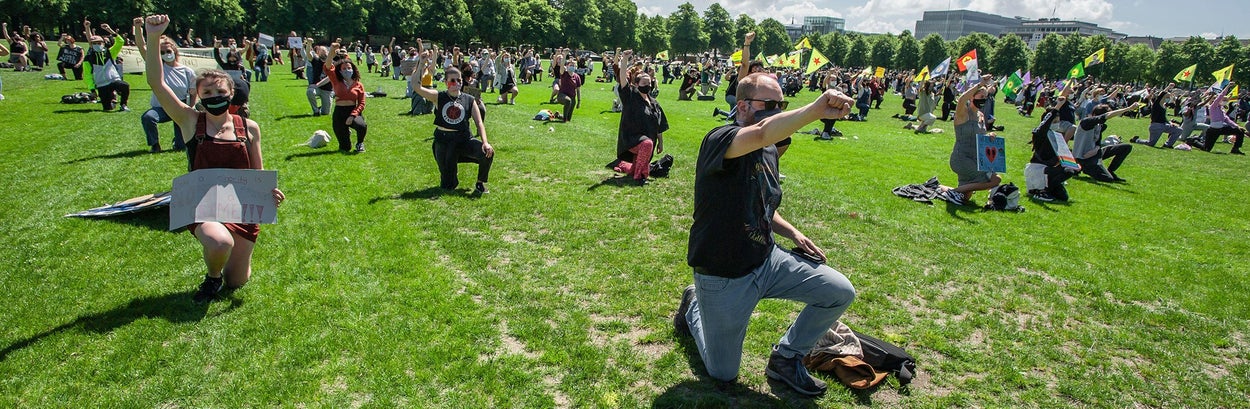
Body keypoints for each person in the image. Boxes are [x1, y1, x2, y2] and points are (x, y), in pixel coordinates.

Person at [674, 72, 857, 397]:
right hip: (724, 273)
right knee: (723, 372)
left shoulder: (770, 149)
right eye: (770, 104)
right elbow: (760, 132)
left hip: (767, 260)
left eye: (781, 104)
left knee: (840, 291)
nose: (777, 109)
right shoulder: (721, 139)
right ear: (742, 106)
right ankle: (693, 307)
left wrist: (793, 232)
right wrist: (815, 110)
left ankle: (787, 359)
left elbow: (759, 202)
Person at [141, 14, 285, 303]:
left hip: (241, 208)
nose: (215, 96)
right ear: (198, 95)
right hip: (202, 204)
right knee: (219, 243)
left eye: (221, 92)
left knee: (238, 281)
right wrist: (154, 37)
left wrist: (269, 193)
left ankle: (228, 272)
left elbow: (257, 171)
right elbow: (157, 84)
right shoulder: (189, 121)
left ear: (231, 94)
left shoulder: (249, 127)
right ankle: (211, 278)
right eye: (208, 92)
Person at [412, 40, 495, 194]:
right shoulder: (438, 97)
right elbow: (416, 86)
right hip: (444, 142)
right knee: (449, 186)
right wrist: (421, 62)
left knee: (487, 153)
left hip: (463, 140)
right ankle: (450, 170)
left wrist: (485, 142)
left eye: (459, 80)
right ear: (445, 82)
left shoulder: (469, 99)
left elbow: (479, 123)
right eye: (452, 81)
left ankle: (480, 183)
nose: (456, 83)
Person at [134, 17, 196, 153]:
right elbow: (142, 47)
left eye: (168, 51)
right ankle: (154, 144)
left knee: (181, 147)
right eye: (161, 52)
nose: (166, 54)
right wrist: (138, 29)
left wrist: (190, 110)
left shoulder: (187, 71)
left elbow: (193, 93)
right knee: (148, 117)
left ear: (174, 51)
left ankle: (177, 141)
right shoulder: (158, 67)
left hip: (180, 106)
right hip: (160, 107)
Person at [609, 50, 669, 185]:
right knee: (647, 145)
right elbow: (623, 78)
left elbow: (659, 124)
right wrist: (624, 59)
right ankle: (640, 177)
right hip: (632, 138)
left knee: (635, 163)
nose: (647, 86)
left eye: (649, 84)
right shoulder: (630, 96)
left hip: (649, 140)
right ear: (636, 84)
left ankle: (623, 166)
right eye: (644, 84)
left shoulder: (654, 103)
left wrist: (660, 142)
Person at [941, 75, 1001, 205]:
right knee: (995, 179)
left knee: (965, 197)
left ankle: (938, 187)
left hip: (974, 159)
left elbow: (979, 137)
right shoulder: (963, 113)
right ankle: (954, 191)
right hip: (961, 159)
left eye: (985, 97)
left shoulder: (981, 115)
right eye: (981, 97)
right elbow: (962, 99)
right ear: (973, 97)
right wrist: (979, 84)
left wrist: (990, 135)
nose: (984, 100)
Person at [1073, 103, 1140, 182]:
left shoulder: (1100, 126)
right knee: (1108, 179)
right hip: (1084, 157)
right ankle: (1083, 167)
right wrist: (1128, 108)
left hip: (1095, 152)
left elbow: (1097, 142)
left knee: (1126, 147)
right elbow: (1106, 115)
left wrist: (1096, 148)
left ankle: (1111, 171)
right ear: (1094, 114)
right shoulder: (1086, 122)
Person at [321, 44, 368, 153]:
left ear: (353, 69)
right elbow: (327, 67)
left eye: (349, 68)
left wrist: (353, 115)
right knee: (345, 148)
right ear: (340, 71)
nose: (347, 70)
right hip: (339, 112)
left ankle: (360, 143)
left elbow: (361, 103)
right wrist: (332, 51)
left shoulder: (358, 85)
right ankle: (345, 134)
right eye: (344, 68)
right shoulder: (336, 80)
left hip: (352, 110)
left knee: (362, 126)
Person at [1027, 108, 1077, 202]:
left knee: (1063, 197)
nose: (1057, 124)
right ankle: (1041, 191)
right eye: (1054, 121)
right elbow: (1044, 127)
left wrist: (1073, 164)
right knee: (1068, 171)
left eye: (1058, 121)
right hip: (1039, 169)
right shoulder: (1040, 135)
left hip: (1049, 169)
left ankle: (1048, 188)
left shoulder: (1056, 136)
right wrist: (1056, 108)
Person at [82, 20, 130, 112]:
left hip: (113, 80)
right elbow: (87, 75)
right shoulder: (88, 58)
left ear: (103, 43)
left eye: (99, 43)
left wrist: (110, 30)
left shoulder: (110, 53)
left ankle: (123, 104)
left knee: (125, 86)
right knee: (107, 108)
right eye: (94, 44)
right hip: (101, 84)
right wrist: (92, 89)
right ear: (91, 45)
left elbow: (120, 42)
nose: (97, 45)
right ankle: (112, 98)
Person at [1197, 84, 1247, 155]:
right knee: (1206, 149)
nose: (1225, 101)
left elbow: (1227, 120)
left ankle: (1235, 149)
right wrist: (1228, 87)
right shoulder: (1213, 107)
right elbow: (1221, 95)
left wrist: (1237, 126)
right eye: (1223, 100)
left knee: (1240, 131)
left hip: (1221, 128)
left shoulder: (1221, 109)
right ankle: (1193, 141)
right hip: (1213, 130)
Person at [1131, 84, 1183, 148]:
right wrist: (1169, 87)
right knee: (1151, 143)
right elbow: (1161, 94)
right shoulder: (1157, 104)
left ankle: (1168, 145)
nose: (1169, 94)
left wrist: (1170, 123)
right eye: (1167, 94)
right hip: (1156, 126)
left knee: (1179, 130)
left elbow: (1163, 117)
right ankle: (1136, 140)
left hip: (1164, 125)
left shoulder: (1163, 105)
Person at [302, 42, 333, 116]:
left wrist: (317, 85)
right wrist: (309, 44)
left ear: (327, 52)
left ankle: (321, 108)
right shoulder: (316, 60)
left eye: (324, 50)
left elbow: (329, 78)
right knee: (310, 91)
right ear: (318, 52)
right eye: (320, 50)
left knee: (325, 113)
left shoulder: (332, 63)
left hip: (327, 90)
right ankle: (316, 111)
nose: (322, 51)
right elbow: (308, 54)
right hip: (317, 88)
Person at [554, 54, 581, 122]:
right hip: (562, 95)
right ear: (567, 66)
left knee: (569, 118)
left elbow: (578, 90)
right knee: (568, 100)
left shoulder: (577, 77)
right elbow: (562, 66)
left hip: (572, 97)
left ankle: (559, 115)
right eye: (570, 65)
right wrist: (565, 55)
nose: (571, 67)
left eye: (573, 65)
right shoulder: (564, 73)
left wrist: (579, 101)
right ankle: (564, 120)